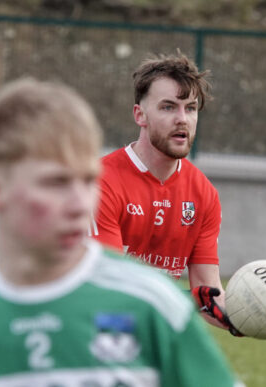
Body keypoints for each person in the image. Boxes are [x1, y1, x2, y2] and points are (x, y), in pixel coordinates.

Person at [0, 78, 242, 386]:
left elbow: (206, 293)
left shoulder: (157, 308)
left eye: (86, 181)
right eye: (56, 183)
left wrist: (244, 312)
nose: (80, 204)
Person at [90, 53, 243, 336]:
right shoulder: (101, 183)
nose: (182, 119)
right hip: (90, 329)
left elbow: (208, 293)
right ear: (140, 115)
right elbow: (110, 287)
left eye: (191, 108)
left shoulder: (204, 194)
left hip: (146, 329)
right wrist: (193, 300)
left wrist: (245, 313)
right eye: (168, 107)